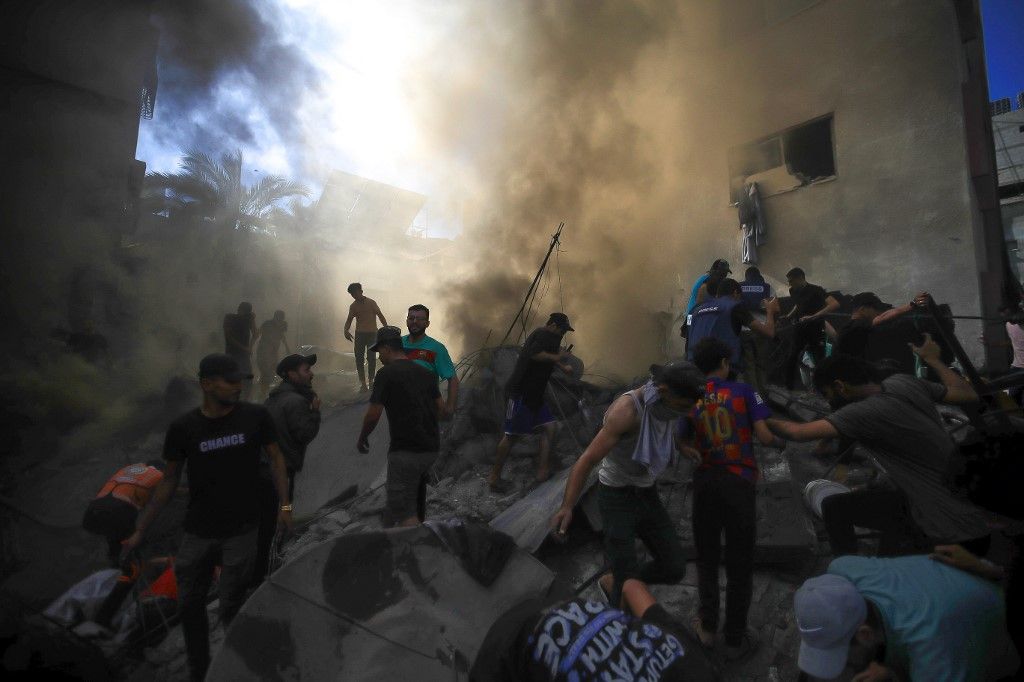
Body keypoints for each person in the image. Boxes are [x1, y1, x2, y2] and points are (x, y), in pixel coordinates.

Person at [121, 353, 292, 682]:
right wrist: (140, 530)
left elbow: (275, 459)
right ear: (206, 384)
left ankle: (241, 667)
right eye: (230, 381)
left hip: (242, 530)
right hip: (197, 532)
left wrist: (285, 506)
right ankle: (200, 670)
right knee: (190, 607)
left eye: (241, 380)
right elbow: (169, 480)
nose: (238, 387)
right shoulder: (184, 429)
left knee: (232, 604)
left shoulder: (255, 417)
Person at [766, 338, 993, 557]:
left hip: (949, 530)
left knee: (878, 553)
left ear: (840, 386)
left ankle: (851, 573)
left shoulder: (863, 413)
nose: (829, 403)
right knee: (837, 506)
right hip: (966, 511)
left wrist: (754, 408)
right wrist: (933, 359)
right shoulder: (903, 382)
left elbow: (794, 432)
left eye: (828, 395)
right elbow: (966, 393)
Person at [550, 361, 703, 608]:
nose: (686, 412)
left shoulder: (665, 405)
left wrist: (681, 446)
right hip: (616, 496)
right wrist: (567, 506)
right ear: (663, 390)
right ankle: (620, 596)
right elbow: (587, 459)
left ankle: (618, 581)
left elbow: (663, 427)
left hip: (647, 492)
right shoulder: (627, 412)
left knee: (674, 567)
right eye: (683, 406)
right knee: (625, 572)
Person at [682, 337, 785, 660]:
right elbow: (766, 435)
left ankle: (708, 628)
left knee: (707, 559)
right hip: (738, 485)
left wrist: (692, 452)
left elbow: (682, 441)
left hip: (705, 485)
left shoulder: (690, 398)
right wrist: (781, 443)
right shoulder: (742, 391)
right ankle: (735, 638)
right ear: (725, 363)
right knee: (740, 564)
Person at [794, 554, 1008, 681]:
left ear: (866, 634)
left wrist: (893, 675)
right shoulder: (843, 567)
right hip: (955, 586)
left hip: (1002, 630)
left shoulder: (930, 651)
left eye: (844, 657)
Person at [470, 577, 720, 682]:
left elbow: (632, 587)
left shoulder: (696, 661)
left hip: (561, 608)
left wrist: (619, 619)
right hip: (507, 649)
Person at [357, 326, 446, 527]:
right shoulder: (426, 373)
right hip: (430, 448)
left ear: (387, 349)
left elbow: (373, 414)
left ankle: (417, 548)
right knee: (403, 499)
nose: (379, 357)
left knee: (405, 512)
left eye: (379, 352)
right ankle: (388, 538)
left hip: (406, 451)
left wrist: (363, 437)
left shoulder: (386, 374)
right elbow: (441, 409)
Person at [253, 353, 321, 585]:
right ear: (290, 374)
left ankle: (259, 572)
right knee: (279, 520)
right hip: (281, 474)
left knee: (264, 524)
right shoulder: (295, 402)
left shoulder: (273, 398)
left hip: (262, 472)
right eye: (305, 370)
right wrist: (315, 412)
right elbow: (304, 434)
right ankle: (266, 577)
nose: (311, 373)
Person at [488, 313, 575, 492]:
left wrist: (562, 366)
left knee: (550, 427)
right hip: (521, 394)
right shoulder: (542, 334)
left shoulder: (551, 338)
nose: (562, 333)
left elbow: (548, 355)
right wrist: (559, 357)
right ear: (551, 324)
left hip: (535, 396)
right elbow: (536, 354)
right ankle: (494, 478)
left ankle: (542, 473)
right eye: (561, 329)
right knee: (511, 436)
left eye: (565, 331)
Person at [686, 278, 780, 391]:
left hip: (694, 364)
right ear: (735, 293)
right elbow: (769, 332)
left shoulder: (694, 311)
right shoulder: (735, 306)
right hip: (721, 367)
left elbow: (687, 330)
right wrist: (770, 311)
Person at [82, 461, 164, 566]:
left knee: (113, 536)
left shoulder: (127, 469)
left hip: (93, 511)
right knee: (133, 540)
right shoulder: (159, 475)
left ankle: (115, 563)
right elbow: (169, 490)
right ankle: (134, 566)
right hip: (120, 510)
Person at [780, 268, 839, 390]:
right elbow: (798, 304)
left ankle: (824, 389)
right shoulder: (793, 291)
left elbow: (834, 304)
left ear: (800, 278)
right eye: (789, 281)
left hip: (815, 328)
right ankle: (789, 387)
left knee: (819, 360)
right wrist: (789, 315)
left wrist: (813, 316)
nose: (790, 284)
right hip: (800, 328)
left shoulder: (816, 290)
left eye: (791, 281)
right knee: (792, 356)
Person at [403, 304, 460, 416]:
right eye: (411, 318)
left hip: (426, 410)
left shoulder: (436, 348)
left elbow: (452, 379)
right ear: (407, 321)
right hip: (399, 410)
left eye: (420, 319)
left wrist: (450, 407)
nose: (414, 321)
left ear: (427, 324)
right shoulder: (398, 343)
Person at [343, 283, 388, 391]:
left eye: (355, 293)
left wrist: (386, 329)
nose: (354, 296)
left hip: (372, 333)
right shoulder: (353, 306)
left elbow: (380, 316)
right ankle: (363, 383)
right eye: (352, 294)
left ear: (361, 291)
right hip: (360, 334)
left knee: (371, 358)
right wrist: (345, 330)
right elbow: (349, 320)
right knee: (359, 358)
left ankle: (371, 381)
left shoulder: (371, 303)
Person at [682, 259, 732, 340]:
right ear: (716, 271)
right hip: (694, 316)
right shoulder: (708, 282)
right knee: (696, 342)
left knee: (691, 341)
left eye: (726, 272)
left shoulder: (704, 277)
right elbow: (700, 302)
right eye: (723, 272)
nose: (725, 275)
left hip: (690, 315)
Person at [223, 302, 258, 399]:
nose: (241, 312)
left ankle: (245, 400)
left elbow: (255, 334)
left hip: (243, 355)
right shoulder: (229, 318)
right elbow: (229, 337)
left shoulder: (247, 320)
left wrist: (253, 321)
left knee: (247, 379)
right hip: (232, 354)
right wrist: (246, 348)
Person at [255, 310, 289, 398]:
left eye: (282, 318)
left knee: (273, 371)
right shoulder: (267, 324)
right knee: (266, 372)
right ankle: (262, 393)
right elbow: (258, 333)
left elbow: (282, 336)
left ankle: (265, 391)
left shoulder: (282, 325)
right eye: (280, 318)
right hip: (263, 352)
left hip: (273, 353)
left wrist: (287, 347)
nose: (281, 320)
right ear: (276, 317)